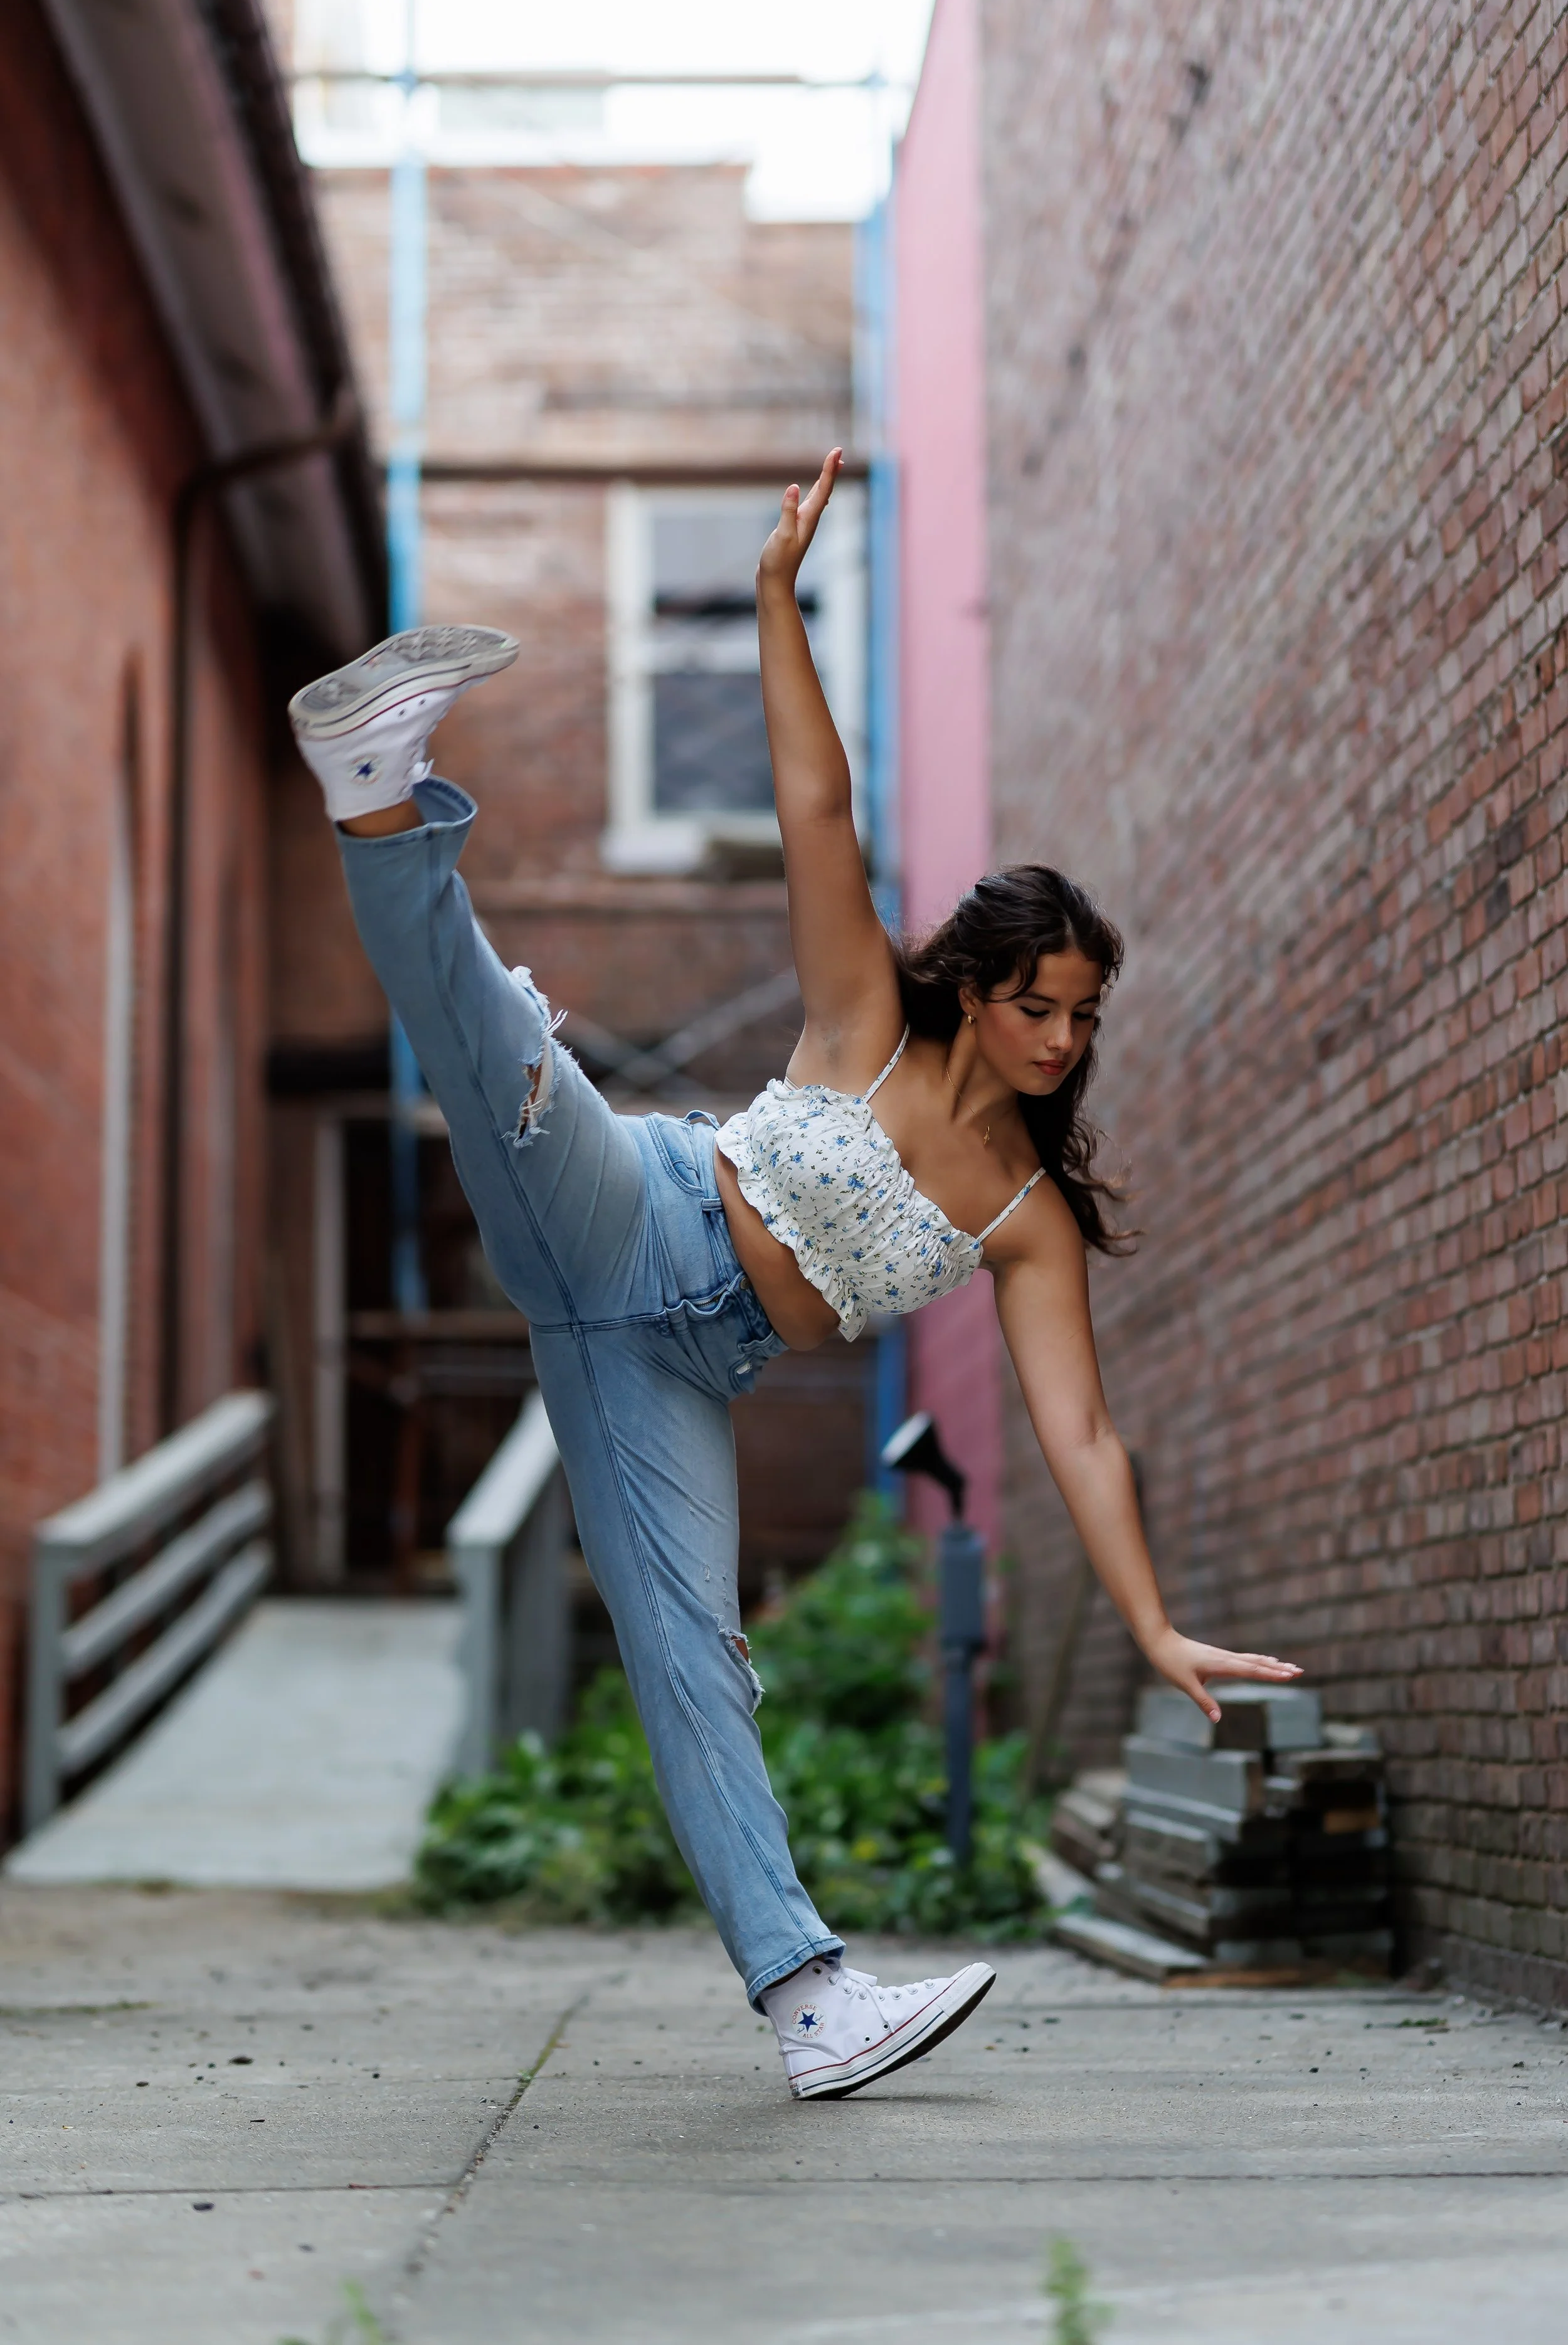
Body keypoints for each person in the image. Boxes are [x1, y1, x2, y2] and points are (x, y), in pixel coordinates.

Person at [290, 448, 1301, 2101]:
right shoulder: (869, 1015)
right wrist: (773, 591)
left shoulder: (1029, 1216)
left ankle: (810, 2000)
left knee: (692, 1658)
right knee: (489, 1046)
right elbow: (815, 803)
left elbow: (1082, 1435)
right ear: (979, 989)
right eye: (1037, 1002)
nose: (1060, 1038)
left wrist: (1153, 1618)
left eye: (1083, 1017)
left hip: (672, 1373)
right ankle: (375, 792)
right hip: (640, 1211)